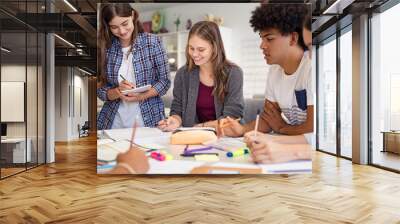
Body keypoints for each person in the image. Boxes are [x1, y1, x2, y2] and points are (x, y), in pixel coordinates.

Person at [221, 3, 313, 137]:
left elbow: (312, 128)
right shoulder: (274, 71)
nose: (262, 46)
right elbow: (268, 118)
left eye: (269, 39)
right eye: (262, 38)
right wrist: (242, 129)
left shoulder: (311, 67)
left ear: (293, 38)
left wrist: (282, 127)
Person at [157, 21, 244, 132]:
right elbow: (177, 108)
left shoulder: (234, 73)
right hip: (193, 136)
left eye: (201, 49)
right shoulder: (183, 74)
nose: (194, 54)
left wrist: (202, 127)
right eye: (191, 48)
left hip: (225, 136)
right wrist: (175, 120)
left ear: (214, 47)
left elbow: (232, 116)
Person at [97, 3, 170, 130]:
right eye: (114, 27)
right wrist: (117, 91)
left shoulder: (152, 43)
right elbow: (99, 88)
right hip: (113, 122)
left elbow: (165, 82)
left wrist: (141, 96)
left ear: (132, 15)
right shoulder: (105, 49)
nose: (121, 31)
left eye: (125, 23)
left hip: (149, 119)